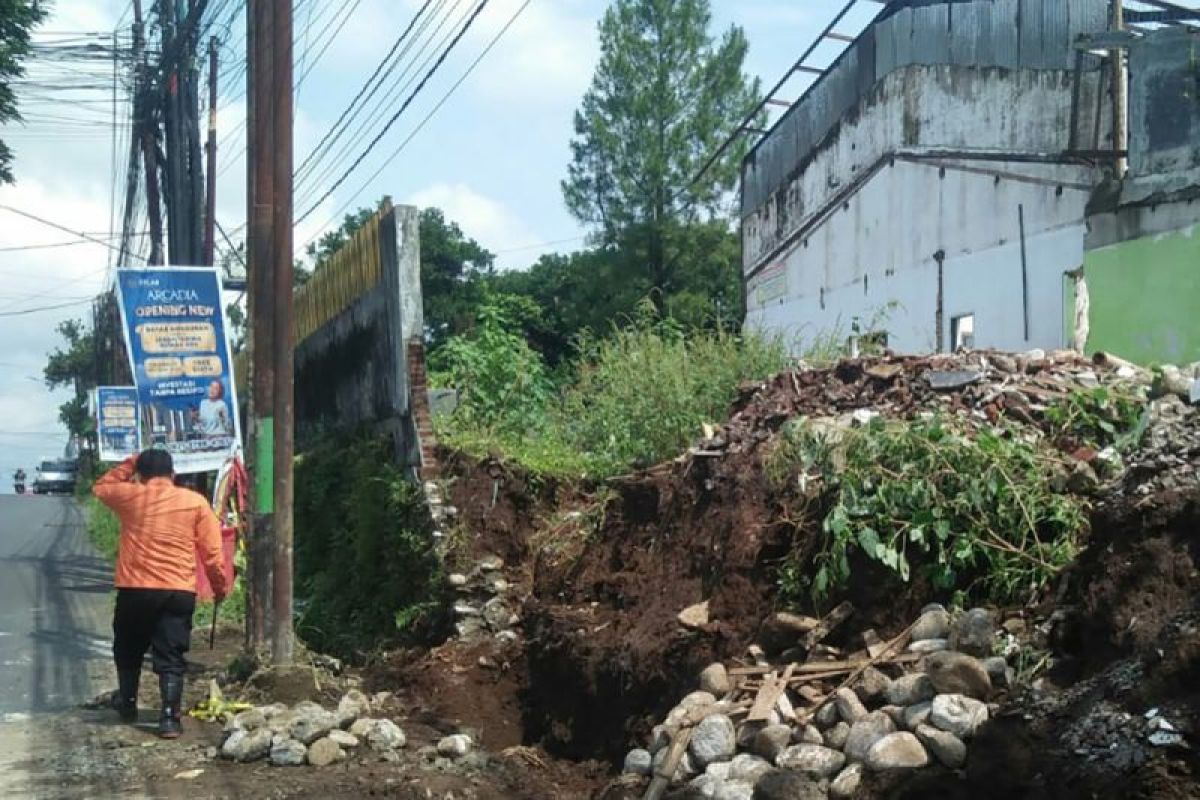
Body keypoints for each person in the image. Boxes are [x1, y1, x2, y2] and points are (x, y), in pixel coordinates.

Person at [93, 449, 229, 738]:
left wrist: (130, 462)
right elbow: (213, 554)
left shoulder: (130, 496)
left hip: (134, 589)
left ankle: (127, 702)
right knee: (171, 653)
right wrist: (219, 588)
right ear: (173, 474)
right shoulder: (195, 502)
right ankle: (169, 719)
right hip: (177, 591)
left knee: (128, 647)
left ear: (140, 476)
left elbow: (102, 487)